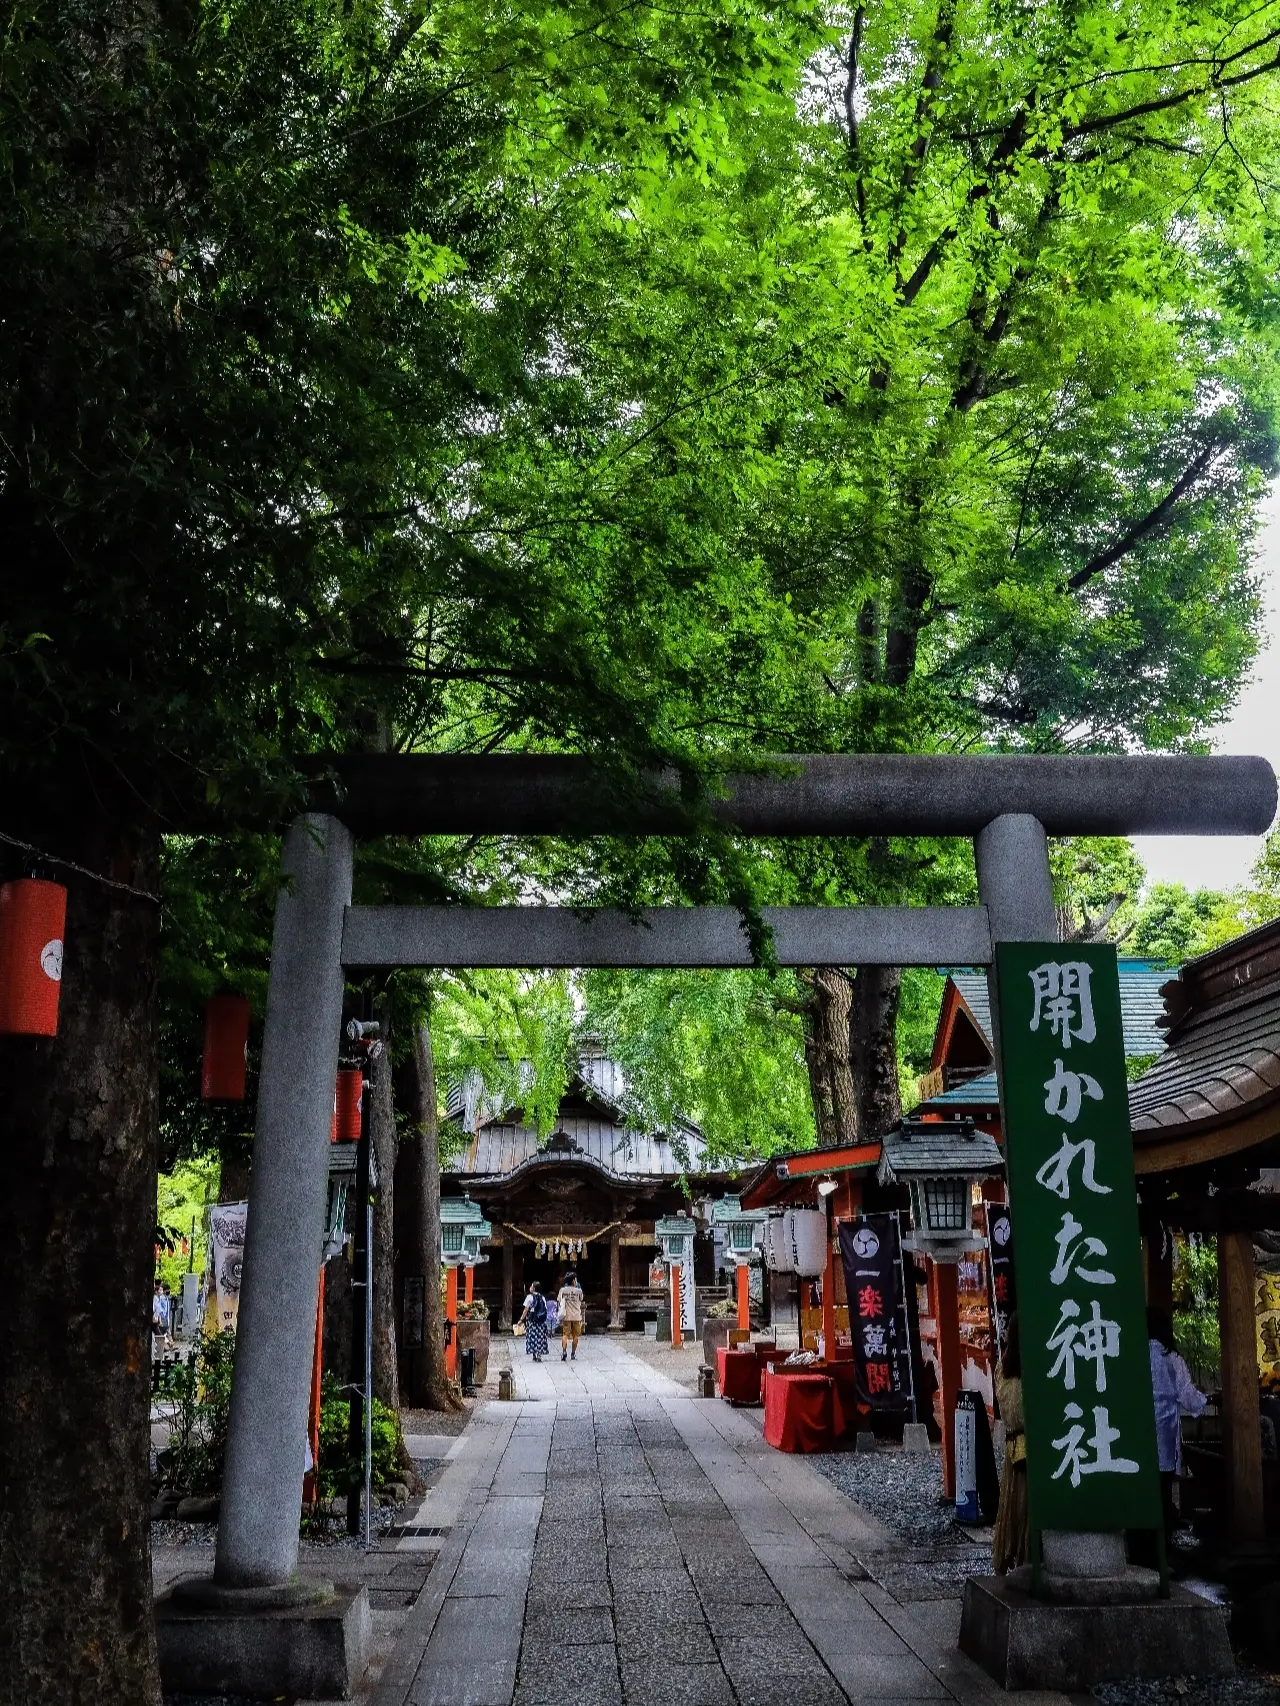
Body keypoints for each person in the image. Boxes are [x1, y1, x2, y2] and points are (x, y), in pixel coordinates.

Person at [1148, 1306, 1207, 1540]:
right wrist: (1207, 1400)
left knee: (1146, 1490)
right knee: (1162, 1489)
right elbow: (1187, 1395)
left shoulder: (1132, 1356)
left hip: (1139, 1436)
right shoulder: (1170, 1359)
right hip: (1163, 1432)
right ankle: (1164, 1548)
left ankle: (1145, 1547)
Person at [992, 1313, 1028, 1574]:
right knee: (1028, 1506)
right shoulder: (1035, 1369)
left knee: (1010, 1504)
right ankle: (1027, 1556)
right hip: (1034, 1444)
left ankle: (1007, 1554)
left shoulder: (1001, 1368)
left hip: (1012, 1444)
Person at [558, 1270, 586, 1362]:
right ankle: (573, 1353)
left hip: (566, 1316)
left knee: (565, 1334)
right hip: (576, 1316)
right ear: (574, 1280)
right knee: (575, 1336)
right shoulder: (579, 1291)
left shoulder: (563, 1290)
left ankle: (564, 1351)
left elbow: (559, 1300)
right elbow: (581, 1299)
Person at [518, 1280, 549, 1363]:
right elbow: (545, 1309)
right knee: (540, 1337)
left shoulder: (529, 1297)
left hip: (532, 1321)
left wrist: (521, 1320)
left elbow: (526, 1310)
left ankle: (534, 1354)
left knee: (533, 1336)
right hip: (541, 1322)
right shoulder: (542, 1297)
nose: (530, 1288)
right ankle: (539, 1354)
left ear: (534, 1288)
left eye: (531, 1286)